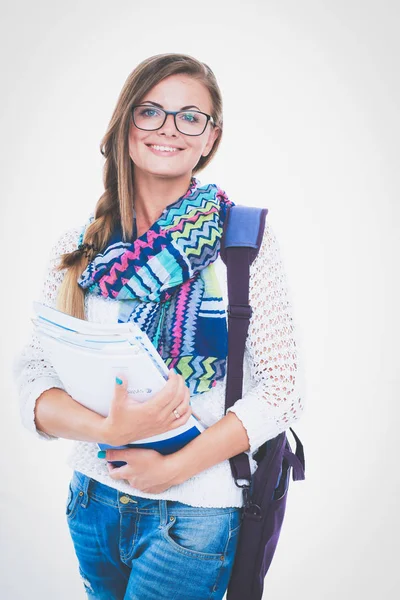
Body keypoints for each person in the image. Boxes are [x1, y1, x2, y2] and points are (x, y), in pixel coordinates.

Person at [13, 52, 305, 600]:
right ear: (125, 126)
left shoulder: (241, 245)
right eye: (151, 112)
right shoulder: (80, 249)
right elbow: (34, 371)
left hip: (194, 514)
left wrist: (174, 468)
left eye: (190, 116)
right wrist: (105, 431)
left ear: (210, 138)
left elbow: (284, 393)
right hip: (94, 500)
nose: (169, 129)